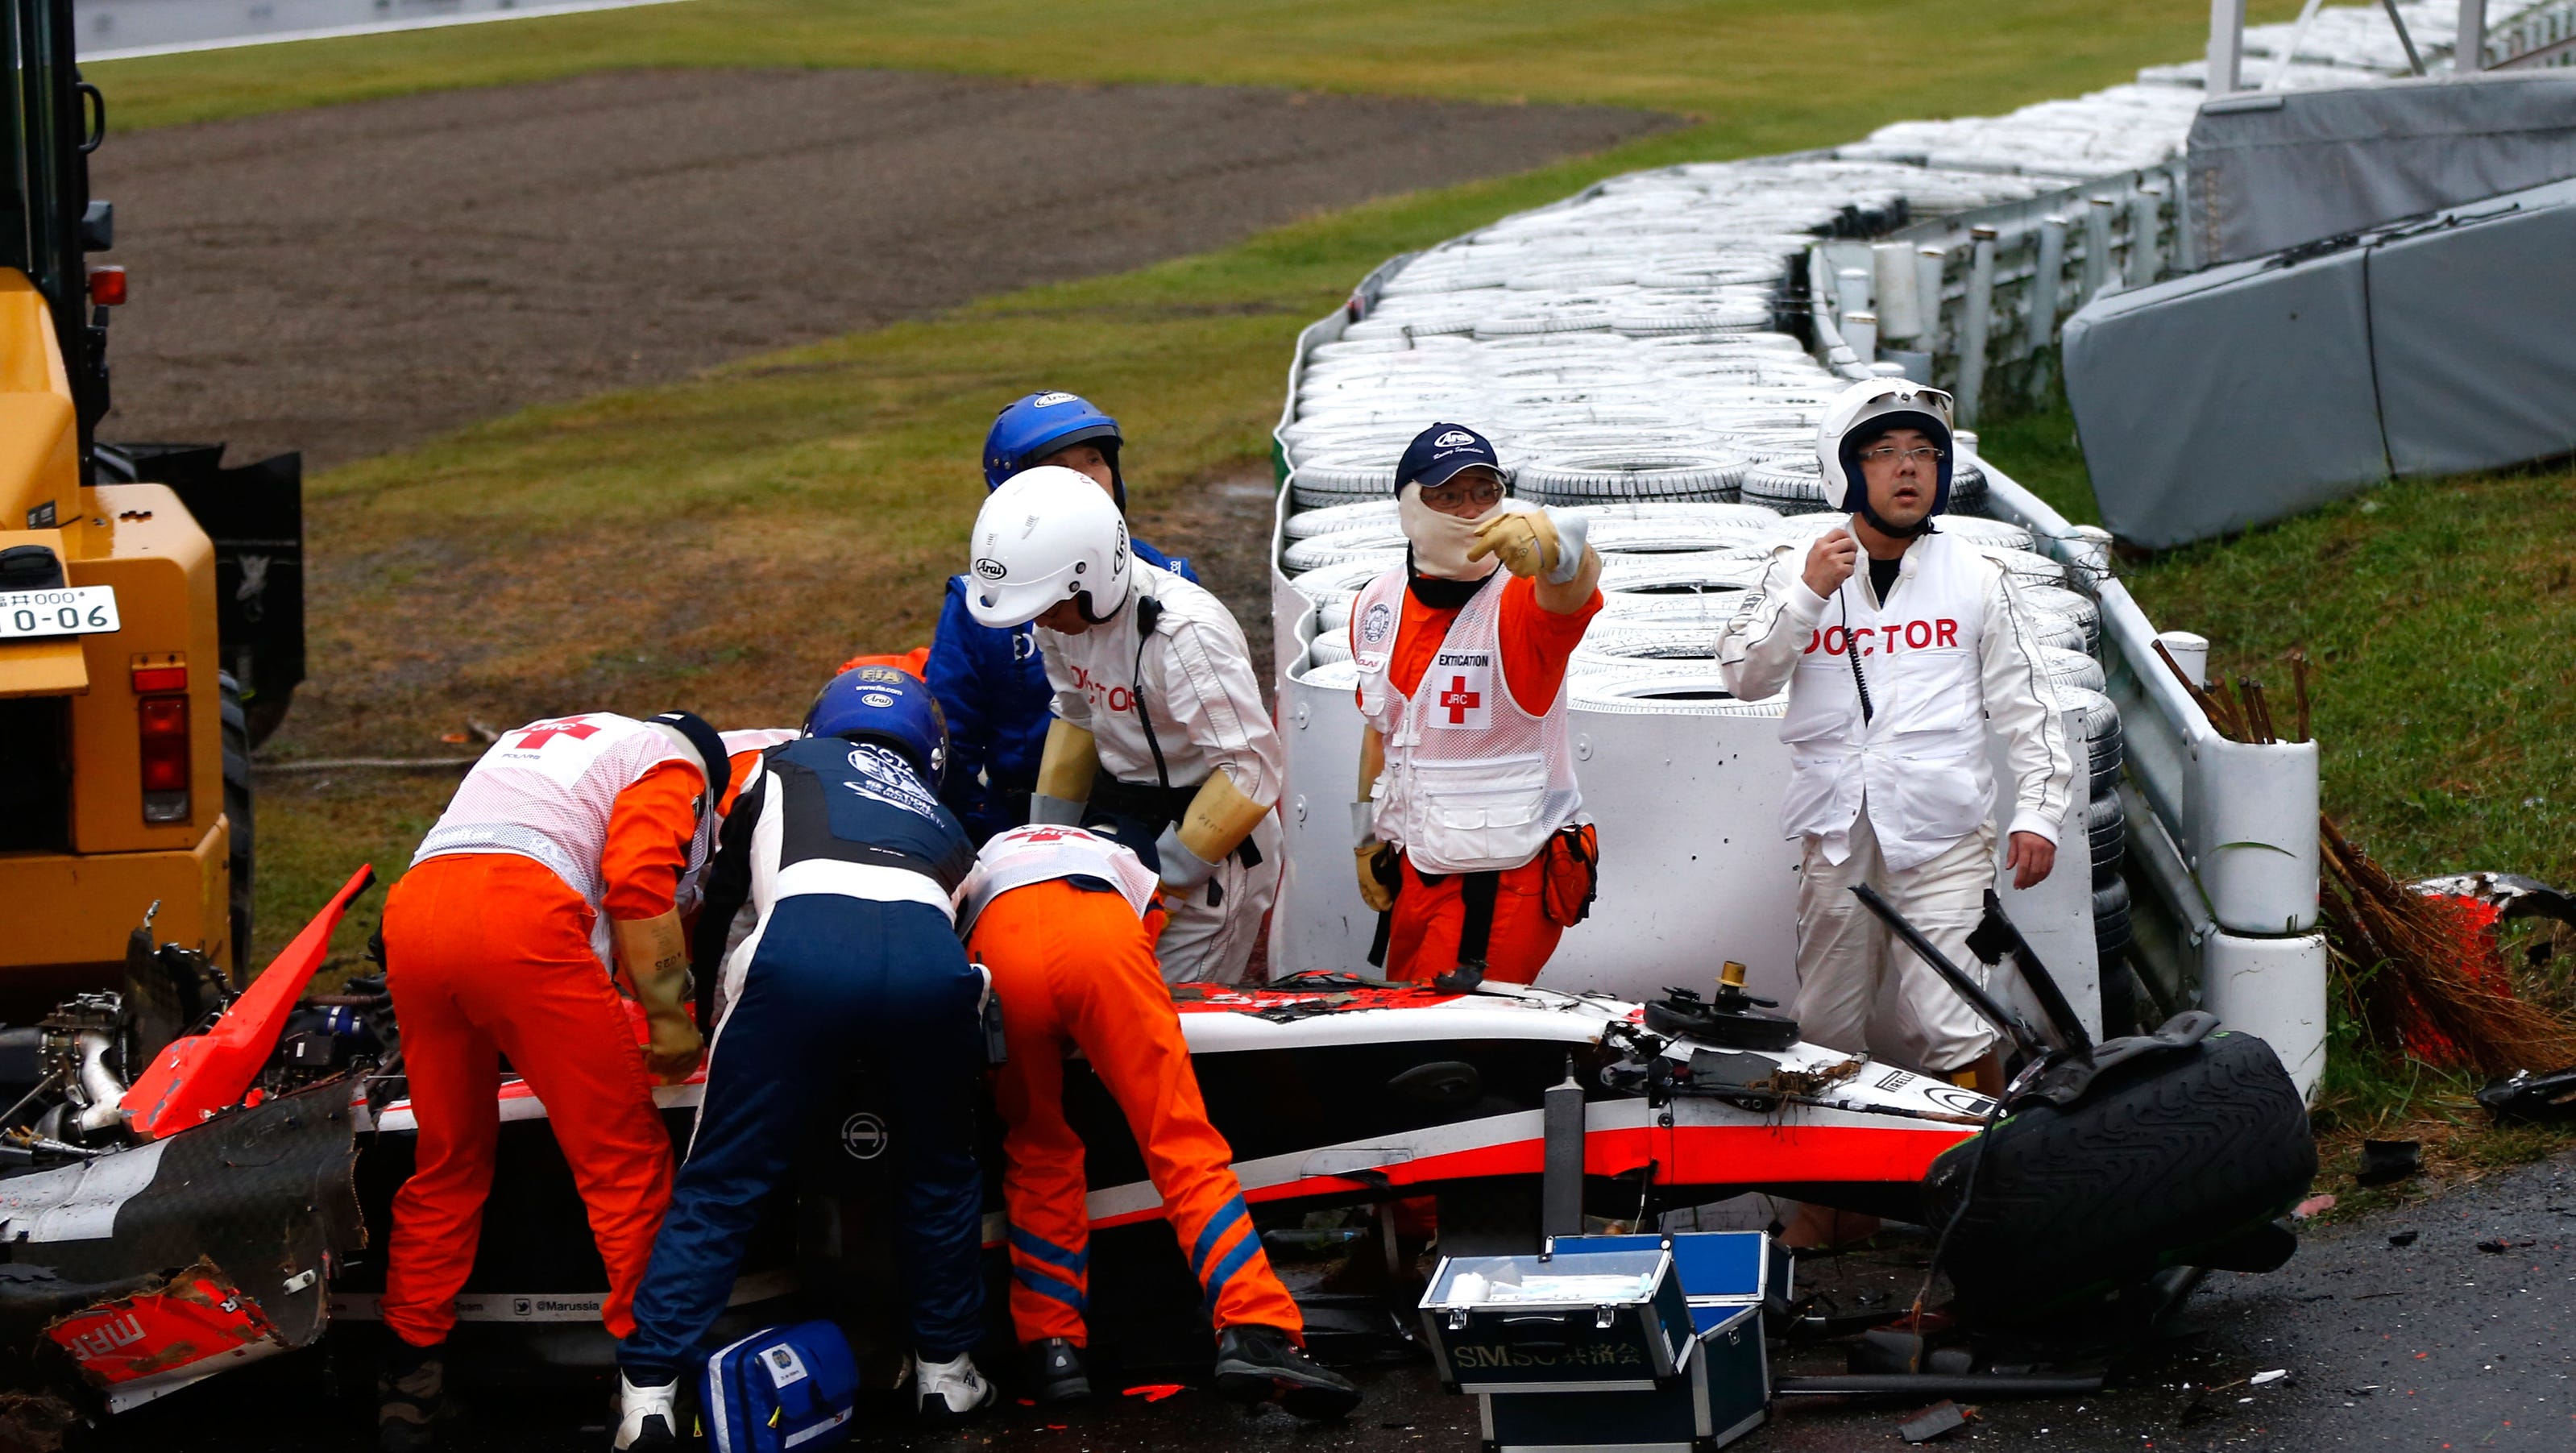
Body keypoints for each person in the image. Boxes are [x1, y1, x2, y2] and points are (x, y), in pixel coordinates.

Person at [612, 669, 994, 1448]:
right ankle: (946, 1375)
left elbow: (721, 895)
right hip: (931, 968)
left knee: (722, 1183)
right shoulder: (944, 814)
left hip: (797, 955)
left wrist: (695, 1015)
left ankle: (648, 1395)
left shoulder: (779, 765)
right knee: (942, 1175)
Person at [377, 708, 733, 1453]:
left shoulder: (548, 740)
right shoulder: (667, 766)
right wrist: (672, 1022)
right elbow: (639, 884)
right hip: (523, 920)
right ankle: (650, 1385)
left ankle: (409, 1386)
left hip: (415, 914)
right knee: (622, 1160)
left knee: (447, 1159)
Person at [1715, 378, 2075, 1098]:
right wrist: (1809, 593)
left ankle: (1977, 1183)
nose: (1907, 467)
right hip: (1837, 834)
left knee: (1957, 1020)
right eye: (1883, 453)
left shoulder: (1977, 574)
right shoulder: (1796, 567)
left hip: (1944, 837)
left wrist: (2038, 812)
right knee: (1823, 1026)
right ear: (1847, 469)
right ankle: (1838, 1209)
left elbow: (2029, 703)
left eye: (1923, 452)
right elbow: (1741, 674)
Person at [964, 824, 1361, 1419]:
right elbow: (1148, 939)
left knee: (1037, 1150)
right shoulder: (1128, 857)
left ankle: (1054, 1351)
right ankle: (1254, 1328)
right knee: (1179, 1143)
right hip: (1099, 936)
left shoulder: (992, 845)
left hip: (997, 946)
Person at [962, 467, 1283, 985]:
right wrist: (1045, 846)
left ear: (1090, 576)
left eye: (1047, 605)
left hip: (1211, 850)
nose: (1039, 621)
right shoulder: (1065, 621)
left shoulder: (1184, 636)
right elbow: (1078, 714)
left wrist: (1167, 881)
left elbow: (1251, 770)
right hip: (1129, 830)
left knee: (1176, 1013)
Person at [1349, 423, 1605, 989]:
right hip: (1412, 869)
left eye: (1484, 492)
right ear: (1410, 507)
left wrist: (1558, 547)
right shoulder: (1375, 603)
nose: (1470, 509)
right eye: (1448, 495)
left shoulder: (1523, 599)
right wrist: (1365, 838)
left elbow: (1575, 582)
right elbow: (1379, 732)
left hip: (1503, 881)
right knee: (1401, 1032)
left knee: (1456, 1044)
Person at [927, 392, 1196, 844]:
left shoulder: (1171, 587)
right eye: (1059, 467)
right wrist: (971, 845)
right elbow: (952, 746)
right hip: (1017, 822)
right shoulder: (979, 606)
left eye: (1094, 460)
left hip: (1151, 824)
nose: (1086, 480)